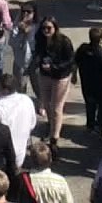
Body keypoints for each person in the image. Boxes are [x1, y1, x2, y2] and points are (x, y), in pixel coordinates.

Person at [34, 16, 75, 154]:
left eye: (49, 28)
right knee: (46, 103)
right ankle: (51, 125)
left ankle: (54, 138)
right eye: (44, 27)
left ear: (55, 28)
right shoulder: (39, 39)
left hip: (60, 76)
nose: (46, 30)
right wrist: (40, 63)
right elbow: (37, 54)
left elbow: (70, 60)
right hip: (45, 75)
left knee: (57, 107)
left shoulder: (64, 41)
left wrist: (54, 67)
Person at [0, 73, 36, 170]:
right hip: (20, 156)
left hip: (3, 159)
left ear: (5, 89)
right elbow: (32, 124)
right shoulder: (27, 100)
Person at [74, 27, 102, 134]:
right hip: (100, 86)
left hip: (86, 84)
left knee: (89, 105)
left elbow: (75, 62)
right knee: (101, 106)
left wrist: (74, 75)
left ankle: (90, 125)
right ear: (101, 39)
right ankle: (99, 127)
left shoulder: (83, 49)